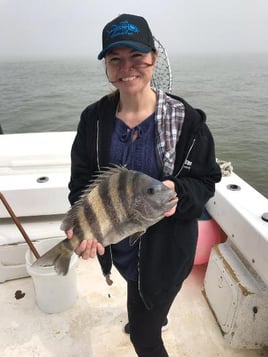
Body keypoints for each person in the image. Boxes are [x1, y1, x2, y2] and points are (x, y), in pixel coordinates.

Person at [67, 13, 221, 357]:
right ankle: (153, 314)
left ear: (154, 56)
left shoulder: (187, 120)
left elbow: (207, 181)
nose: (127, 68)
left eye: (136, 56)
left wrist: (179, 193)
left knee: (144, 338)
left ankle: (149, 320)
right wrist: (85, 226)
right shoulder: (92, 119)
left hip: (166, 257)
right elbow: (81, 181)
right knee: (141, 300)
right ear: (106, 65)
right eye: (115, 59)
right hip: (118, 244)